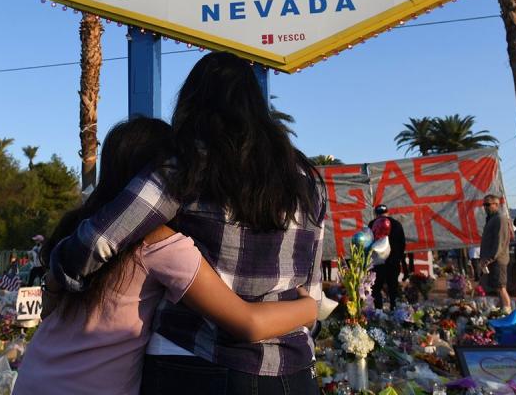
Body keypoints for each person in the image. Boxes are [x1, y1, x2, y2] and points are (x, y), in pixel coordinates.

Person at [48, 52, 326, 395]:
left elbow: (99, 241)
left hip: (191, 363)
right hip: (293, 373)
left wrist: (59, 275)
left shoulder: (184, 166)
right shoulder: (306, 180)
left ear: (192, 102)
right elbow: (311, 292)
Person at [478, 194, 512, 312]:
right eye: (484, 205)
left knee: (501, 286)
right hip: (492, 260)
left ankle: (507, 311)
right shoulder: (492, 219)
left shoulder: (500, 219)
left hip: (498, 259)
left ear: (496, 204)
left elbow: (500, 241)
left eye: (488, 204)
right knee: (497, 287)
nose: (485, 207)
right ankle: (503, 309)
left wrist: (491, 257)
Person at [368, 205, 405, 310]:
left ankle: (378, 311)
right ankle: (394, 310)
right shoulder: (397, 224)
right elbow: (402, 244)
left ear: (376, 213)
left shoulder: (372, 224)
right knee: (393, 288)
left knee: (376, 288)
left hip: (378, 263)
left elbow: (368, 243)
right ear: (388, 212)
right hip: (393, 263)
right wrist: (398, 259)